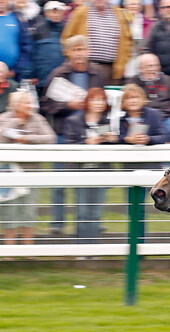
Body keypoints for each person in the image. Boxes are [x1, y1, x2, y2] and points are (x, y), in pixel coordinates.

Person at [0, 91, 56, 246]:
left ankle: (28, 251)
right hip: (8, 172)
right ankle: (9, 251)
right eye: (26, 102)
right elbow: (1, 137)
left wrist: (26, 139)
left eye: (30, 102)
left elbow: (50, 138)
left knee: (29, 210)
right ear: (16, 104)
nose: (30, 106)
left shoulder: (37, 119)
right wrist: (15, 122)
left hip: (32, 171)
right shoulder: (4, 118)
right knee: (9, 211)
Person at [61, 87, 116, 243]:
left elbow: (111, 151)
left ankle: (94, 247)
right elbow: (68, 144)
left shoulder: (106, 122)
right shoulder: (74, 121)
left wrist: (112, 141)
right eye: (94, 99)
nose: (98, 103)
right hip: (80, 172)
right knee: (82, 211)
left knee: (96, 212)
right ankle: (81, 246)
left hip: (100, 172)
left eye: (101, 100)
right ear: (87, 102)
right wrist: (86, 143)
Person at [61, 0, 133, 83]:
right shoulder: (80, 12)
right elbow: (67, 38)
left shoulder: (119, 14)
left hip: (111, 69)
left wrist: (122, 65)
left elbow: (128, 42)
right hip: (85, 69)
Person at [126, 53, 170, 143]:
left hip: (166, 117)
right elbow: (127, 103)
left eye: (156, 66)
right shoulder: (133, 82)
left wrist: (165, 113)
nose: (153, 69)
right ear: (140, 68)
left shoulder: (168, 80)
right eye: (149, 66)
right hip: (143, 118)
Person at [31, 1, 67, 94]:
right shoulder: (38, 29)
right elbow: (31, 53)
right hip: (43, 79)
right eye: (52, 11)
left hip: (63, 79)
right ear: (46, 13)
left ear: (63, 14)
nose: (55, 14)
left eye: (58, 11)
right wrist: (32, 75)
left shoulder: (67, 29)